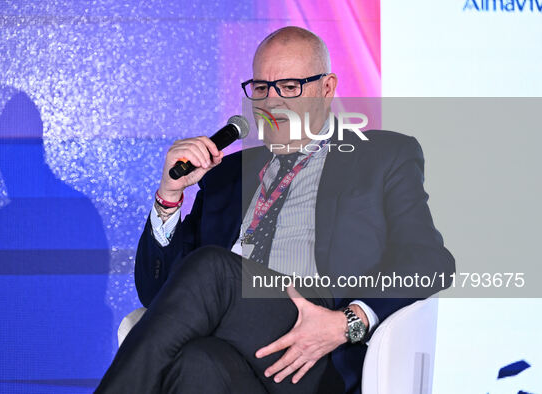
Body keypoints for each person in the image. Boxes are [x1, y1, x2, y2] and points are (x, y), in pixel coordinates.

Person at [96, 26, 455, 394]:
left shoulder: (381, 157)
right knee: (196, 362)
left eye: (289, 87)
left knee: (212, 267)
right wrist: (170, 195)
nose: (271, 102)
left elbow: (429, 260)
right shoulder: (226, 176)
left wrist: (348, 321)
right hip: (230, 352)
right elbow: (158, 294)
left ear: (327, 88)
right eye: (262, 88)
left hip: (315, 351)